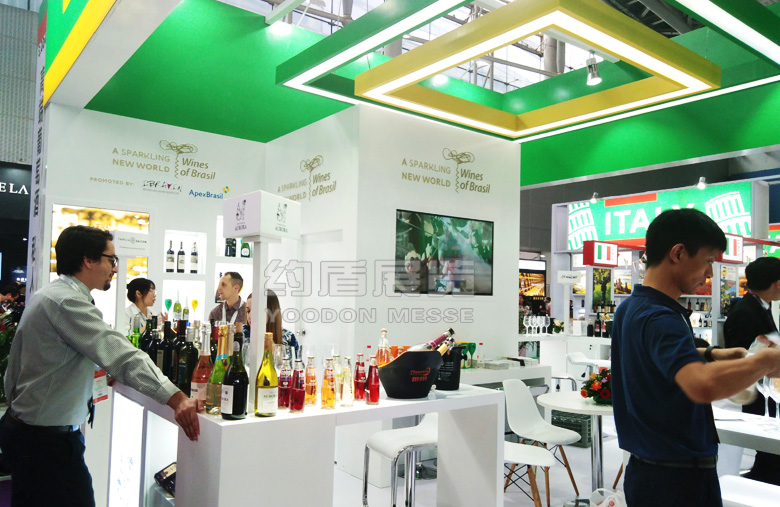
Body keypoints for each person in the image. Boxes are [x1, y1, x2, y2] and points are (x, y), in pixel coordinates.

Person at [0, 225, 201, 507]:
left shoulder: (51, 295)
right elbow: (120, 354)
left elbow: (38, 363)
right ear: (88, 260)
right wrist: (176, 398)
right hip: (46, 444)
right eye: (111, 259)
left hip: (27, 432)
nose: (114, 268)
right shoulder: (66, 302)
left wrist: (98, 371)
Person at [611, 209, 780, 507]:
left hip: (649, 472)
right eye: (708, 261)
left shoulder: (633, 307)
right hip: (676, 480)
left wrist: (713, 354)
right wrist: (767, 361)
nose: (709, 273)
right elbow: (701, 386)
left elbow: (655, 357)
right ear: (678, 253)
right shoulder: (661, 317)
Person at [724, 256, 780, 485]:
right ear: (777, 283)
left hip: (763, 385)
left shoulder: (759, 306)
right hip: (755, 388)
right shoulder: (745, 312)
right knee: (766, 437)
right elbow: (740, 354)